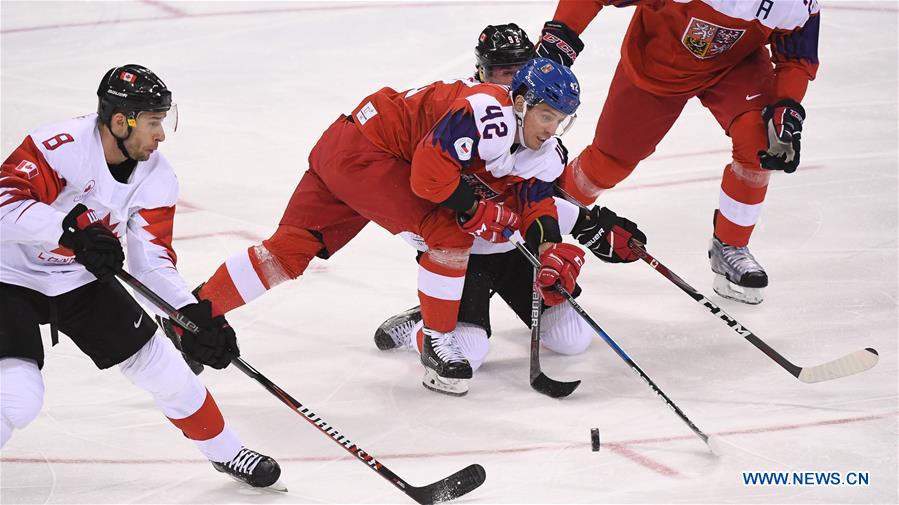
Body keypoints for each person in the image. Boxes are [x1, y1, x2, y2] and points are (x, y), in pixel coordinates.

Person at [188, 57, 588, 395]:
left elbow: (535, 200)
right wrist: (473, 211)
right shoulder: (488, 111)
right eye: (546, 115)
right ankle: (436, 340)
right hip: (370, 155)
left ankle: (193, 311)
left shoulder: (539, 146)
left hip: (343, 145)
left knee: (289, 250)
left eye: (561, 119)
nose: (552, 128)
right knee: (447, 233)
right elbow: (429, 178)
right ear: (520, 102)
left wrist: (550, 248)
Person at [0, 65, 283, 490]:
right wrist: (68, 229)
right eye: (153, 122)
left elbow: (150, 262)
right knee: (20, 395)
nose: (162, 134)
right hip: (9, 275)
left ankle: (226, 451)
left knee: (165, 368)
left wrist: (191, 313)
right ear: (120, 121)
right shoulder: (60, 147)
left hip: (79, 278)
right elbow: (4, 202)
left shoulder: (157, 176)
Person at [374, 24, 648, 396]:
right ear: (483, 72)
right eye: (502, 72)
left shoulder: (539, 127)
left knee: (573, 338)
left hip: (511, 249)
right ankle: (430, 323)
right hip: (464, 253)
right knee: (469, 353)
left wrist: (589, 227)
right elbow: (426, 188)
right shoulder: (465, 113)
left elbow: (537, 203)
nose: (510, 81)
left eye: (518, 71)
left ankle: (441, 310)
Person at [535, 0, 820, 304]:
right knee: (608, 163)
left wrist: (787, 103)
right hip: (659, 61)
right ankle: (539, 219)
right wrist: (564, 31)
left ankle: (731, 247)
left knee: (761, 143)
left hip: (736, 64)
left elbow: (796, 53)